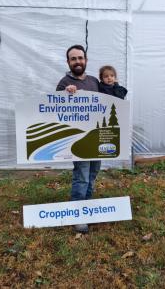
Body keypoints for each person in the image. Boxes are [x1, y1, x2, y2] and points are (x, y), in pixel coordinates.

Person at [56, 44, 101, 234]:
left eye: (80, 58)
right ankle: (77, 214)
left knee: (93, 173)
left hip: (95, 137)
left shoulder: (94, 81)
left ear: (86, 60)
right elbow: (54, 108)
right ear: (68, 62)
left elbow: (105, 103)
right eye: (73, 59)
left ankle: (86, 206)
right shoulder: (64, 83)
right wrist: (66, 94)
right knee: (81, 175)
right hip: (77, 140)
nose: (77, 62)